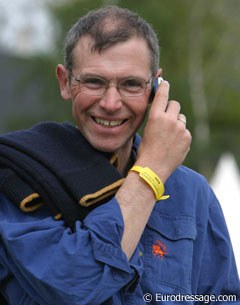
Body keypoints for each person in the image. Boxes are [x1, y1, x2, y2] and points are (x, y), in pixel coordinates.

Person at [0, 5, 239, 305]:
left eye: (131, 85)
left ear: (155, 87)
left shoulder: (193, 192)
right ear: (64, 82)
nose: (111, 103)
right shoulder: (18, 177)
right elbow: (75, 289)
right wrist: (149, 173)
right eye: (94, 82)